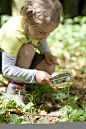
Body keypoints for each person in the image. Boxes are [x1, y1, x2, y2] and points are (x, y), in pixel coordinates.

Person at [0, 0, 62, 107]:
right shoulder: (14, 35)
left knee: (48, 66)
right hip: (4, 60)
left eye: (49, 32)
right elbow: (7, 69)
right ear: (26, 20)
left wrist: (46, 52)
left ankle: (21, 80)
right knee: (28, 49)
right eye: (42, 32)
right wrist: (34, 74)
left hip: (19, 56)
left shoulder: (37, 28)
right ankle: (15, 88)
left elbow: (43, 40)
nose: (46, 36)